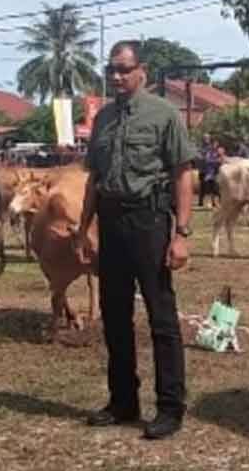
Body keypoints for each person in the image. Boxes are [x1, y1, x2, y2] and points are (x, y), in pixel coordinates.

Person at [76, 40, 197, 441]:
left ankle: (170, 407)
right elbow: (94, 178)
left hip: (149, 220)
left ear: (141, 70)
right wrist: (83, 230)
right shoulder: (104, 118)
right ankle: (123, 400)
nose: (116, 76)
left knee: (161, 317)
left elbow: (183, 174)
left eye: (124, 69)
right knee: (114, 315)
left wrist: (180, 234)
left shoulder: (163, 114)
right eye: (111, 69)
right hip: (111, 222)